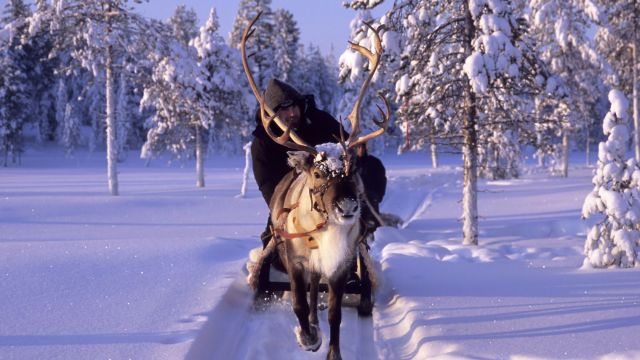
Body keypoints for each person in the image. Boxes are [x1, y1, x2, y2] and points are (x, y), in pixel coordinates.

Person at [251, 79, 386, 259]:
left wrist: (354, 148)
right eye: (283, 109)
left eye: (293, 106)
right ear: (272, 113)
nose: (291, 113)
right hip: (291, 198)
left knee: (370, 168)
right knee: (274, 245)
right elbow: (267, 181)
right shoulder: (263, 141)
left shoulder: (319, 120)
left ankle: (362, 239)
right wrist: (280, 210)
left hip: (331, 190)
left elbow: (343, 142)